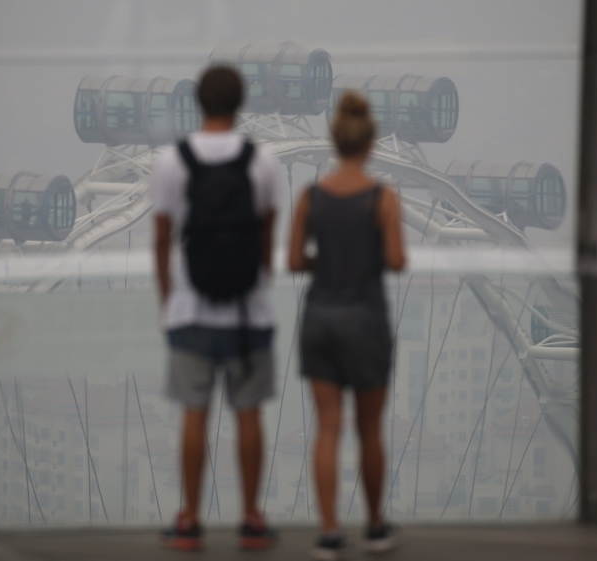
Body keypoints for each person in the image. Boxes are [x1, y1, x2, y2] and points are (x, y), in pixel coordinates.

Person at [150, 65, 282, 551]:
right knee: (248, 413)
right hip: (250, 314)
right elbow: (269, 233)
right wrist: (258, 283)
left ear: (198, 103)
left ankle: (188, 519)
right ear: (240, 102)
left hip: (191, 309)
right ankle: (251, 519)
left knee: (194, 413)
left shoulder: (172, 161)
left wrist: (170, 298)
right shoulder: (262, 161)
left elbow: (161, 238)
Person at [288, 91, 405, 560]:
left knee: (327, 428)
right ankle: (375, 527)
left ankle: (330, 532)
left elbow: (295, 258)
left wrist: (328, 259)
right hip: (365, 319)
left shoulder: (309, 197)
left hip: (319, 318)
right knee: (369, 429)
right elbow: (396, 259)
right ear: (370, 145)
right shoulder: (383, 198)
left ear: (335, 144)